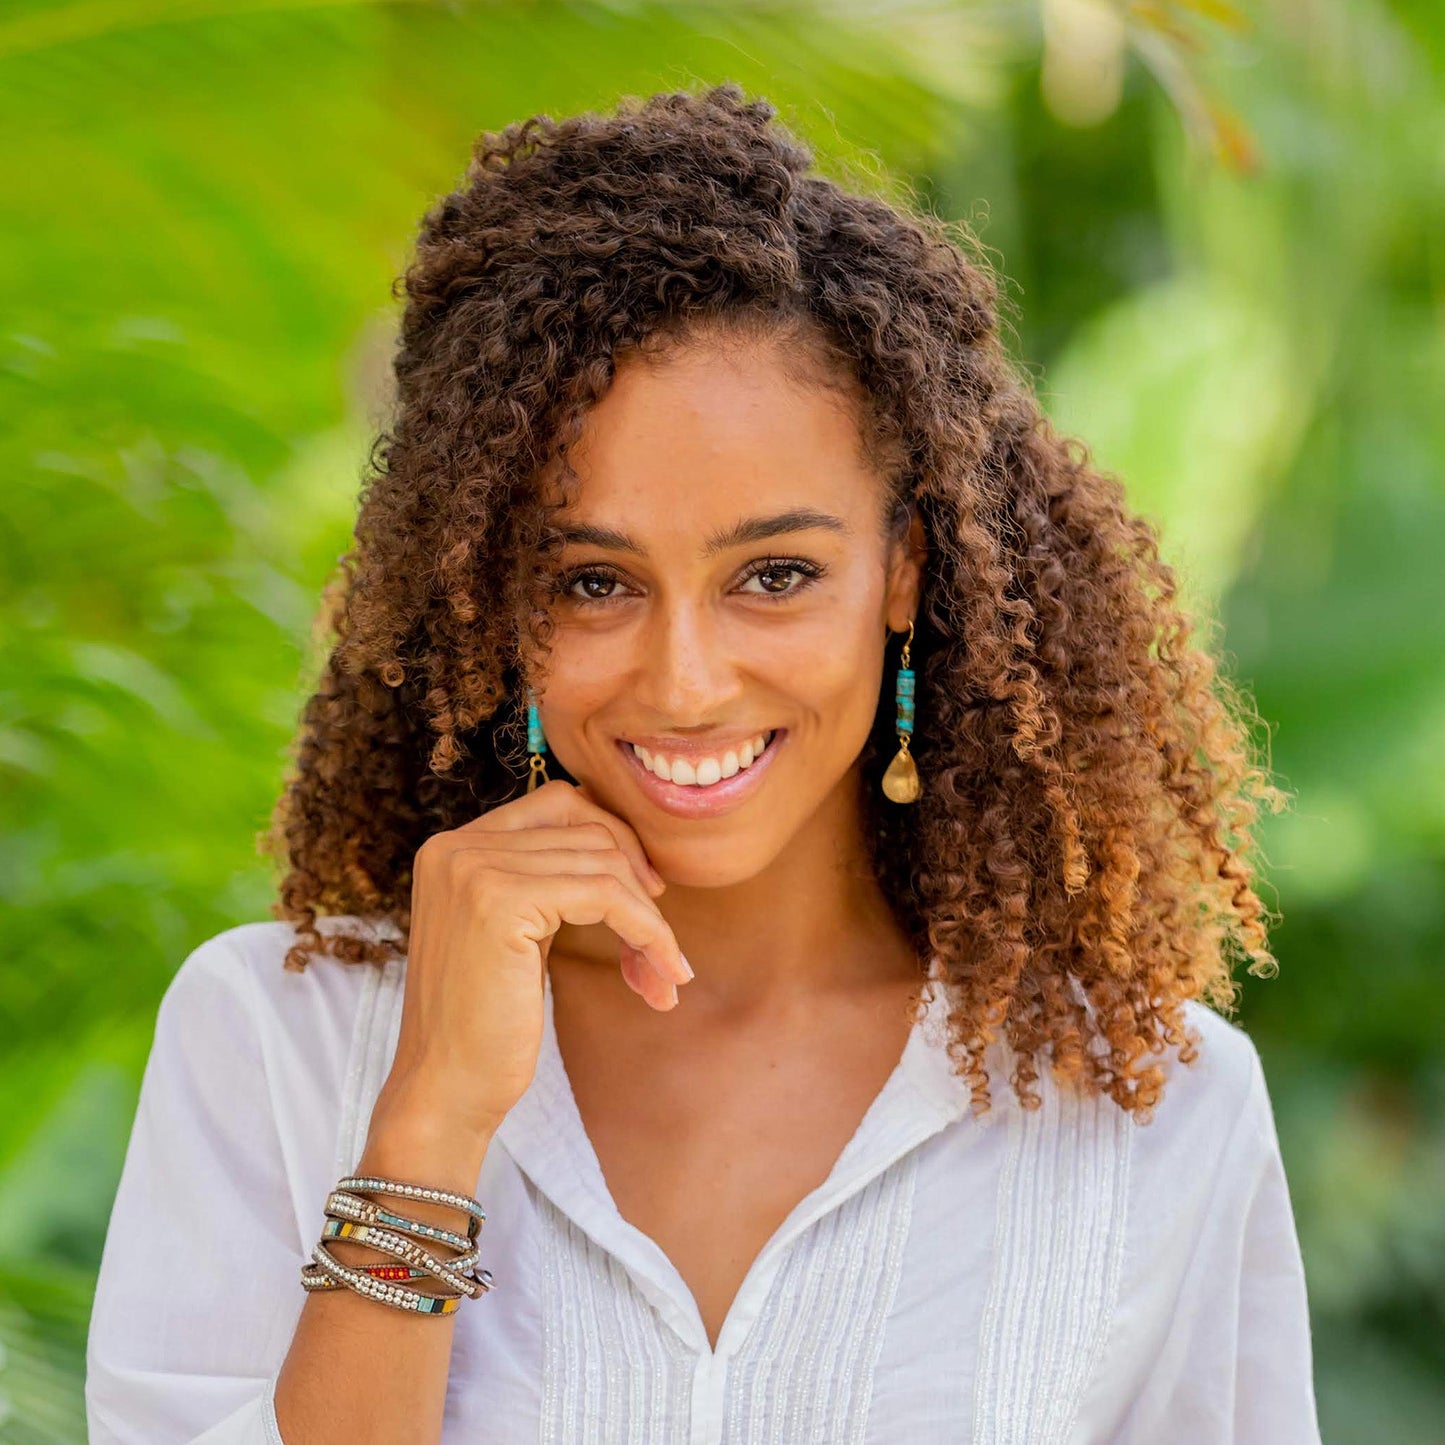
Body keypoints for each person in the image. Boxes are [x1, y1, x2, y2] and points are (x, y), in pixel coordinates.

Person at [84, 82, 1321, 1444]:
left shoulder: (1149, 1107)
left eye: (773, 574)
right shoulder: (277, 1037)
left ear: (903, 571)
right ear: (495, 594)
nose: (683, 679)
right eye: (593, 580)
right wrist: (428, 1123)